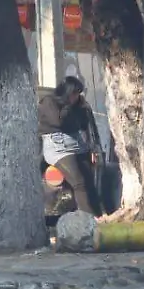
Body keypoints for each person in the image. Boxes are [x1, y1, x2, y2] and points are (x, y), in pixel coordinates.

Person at [39, 76, 103, 217]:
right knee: (79, 181)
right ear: (67, 92)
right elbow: (60, 122)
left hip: (76, 143)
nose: (76, 97)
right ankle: (88, 218)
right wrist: (68, 105)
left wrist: (81, 107)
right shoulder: (49, 102)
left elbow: (82, 124)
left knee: (88, 181)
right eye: (74, 93)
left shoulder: (77, 106)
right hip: (58, 146)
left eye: (78, 94)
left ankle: (98, 215)